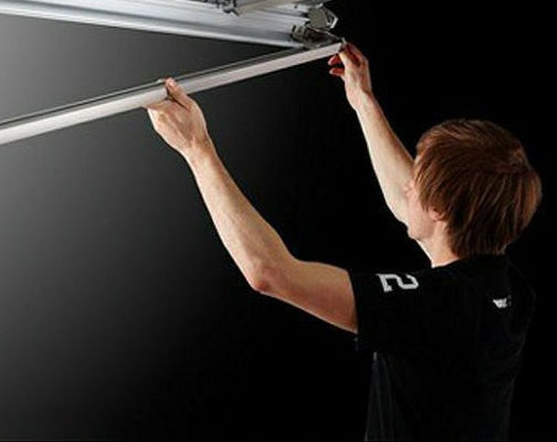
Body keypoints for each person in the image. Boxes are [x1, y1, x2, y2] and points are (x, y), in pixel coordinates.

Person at [144, 41, 541, 440]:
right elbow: (412, 204)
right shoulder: (504, 288)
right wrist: (363, 101)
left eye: (417, 181)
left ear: (439, 209)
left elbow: (270, 272)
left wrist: (197, 149)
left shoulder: (436, 307)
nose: (408, 188)